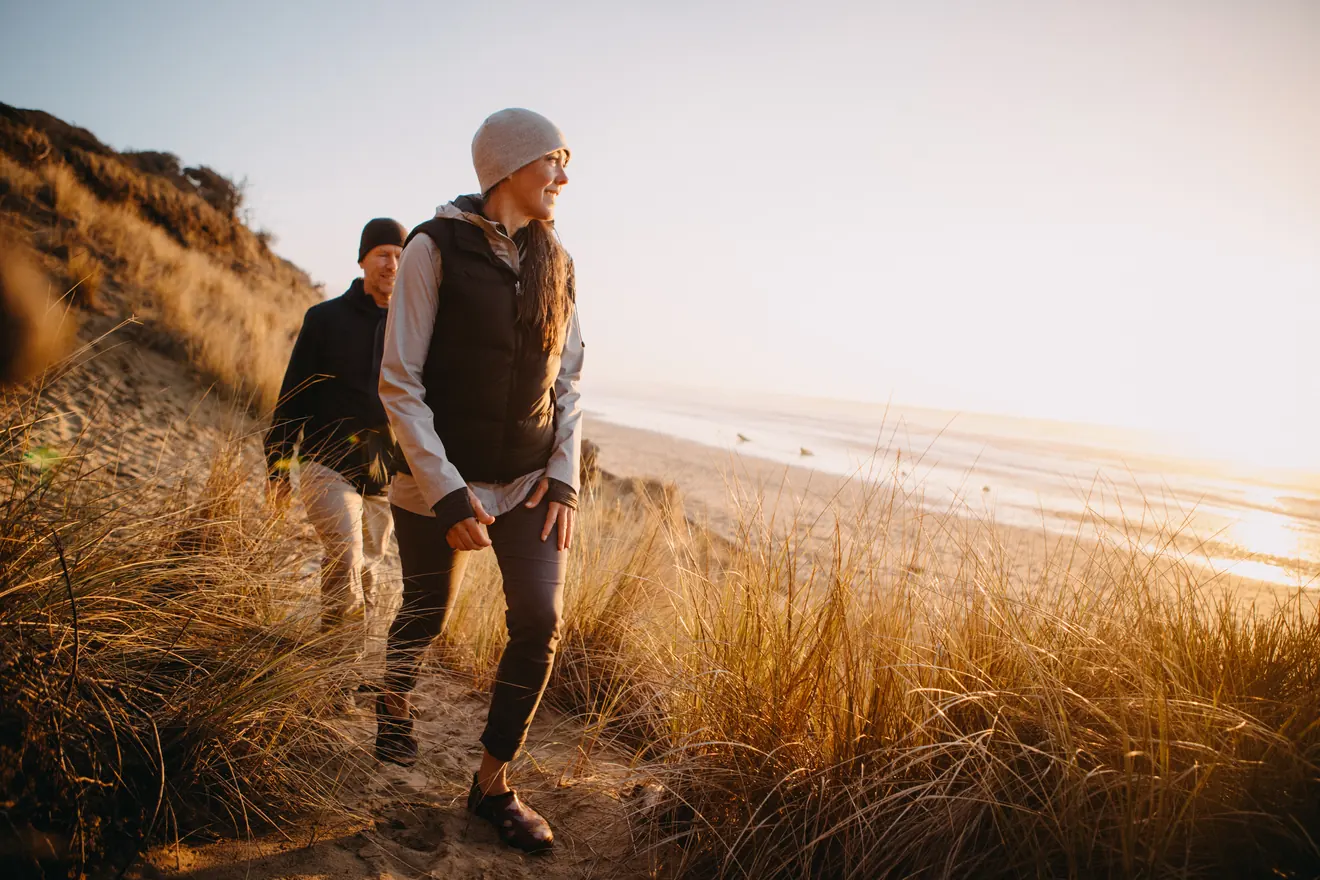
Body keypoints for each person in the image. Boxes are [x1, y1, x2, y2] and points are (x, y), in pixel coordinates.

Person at [376, 108, 584, 853]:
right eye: (553, 160)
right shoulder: (433, 248)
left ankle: (492, 785)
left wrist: (563, 478)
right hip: (441, 476)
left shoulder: (557, 261)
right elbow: (399, 383)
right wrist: (448, 491)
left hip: (529, 480)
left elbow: (571, 380)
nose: (565, 176)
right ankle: (394, 698)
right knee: (427, 609)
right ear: (507, 167)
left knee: (540, 621)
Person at [264, 218, 407, 691]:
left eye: (401, 254)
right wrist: (279, 467)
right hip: (326, 464)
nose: (393, 263)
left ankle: (339, 658)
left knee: (367, 572)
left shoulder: (413, 327)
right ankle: (339, 675)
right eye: (384, 252)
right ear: (363, 258)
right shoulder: (324, 319)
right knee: (346, 557)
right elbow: (293, 397)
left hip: (383, 477)